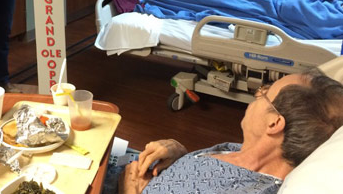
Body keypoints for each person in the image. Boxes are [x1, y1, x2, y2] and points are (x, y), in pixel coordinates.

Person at [118, 69, 343, 194]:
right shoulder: (237, 151)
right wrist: (179, 153)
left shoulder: (250, 190)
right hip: (127, 165)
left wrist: (127, 191)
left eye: (265, 93)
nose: (257, 94)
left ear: (274, 123)